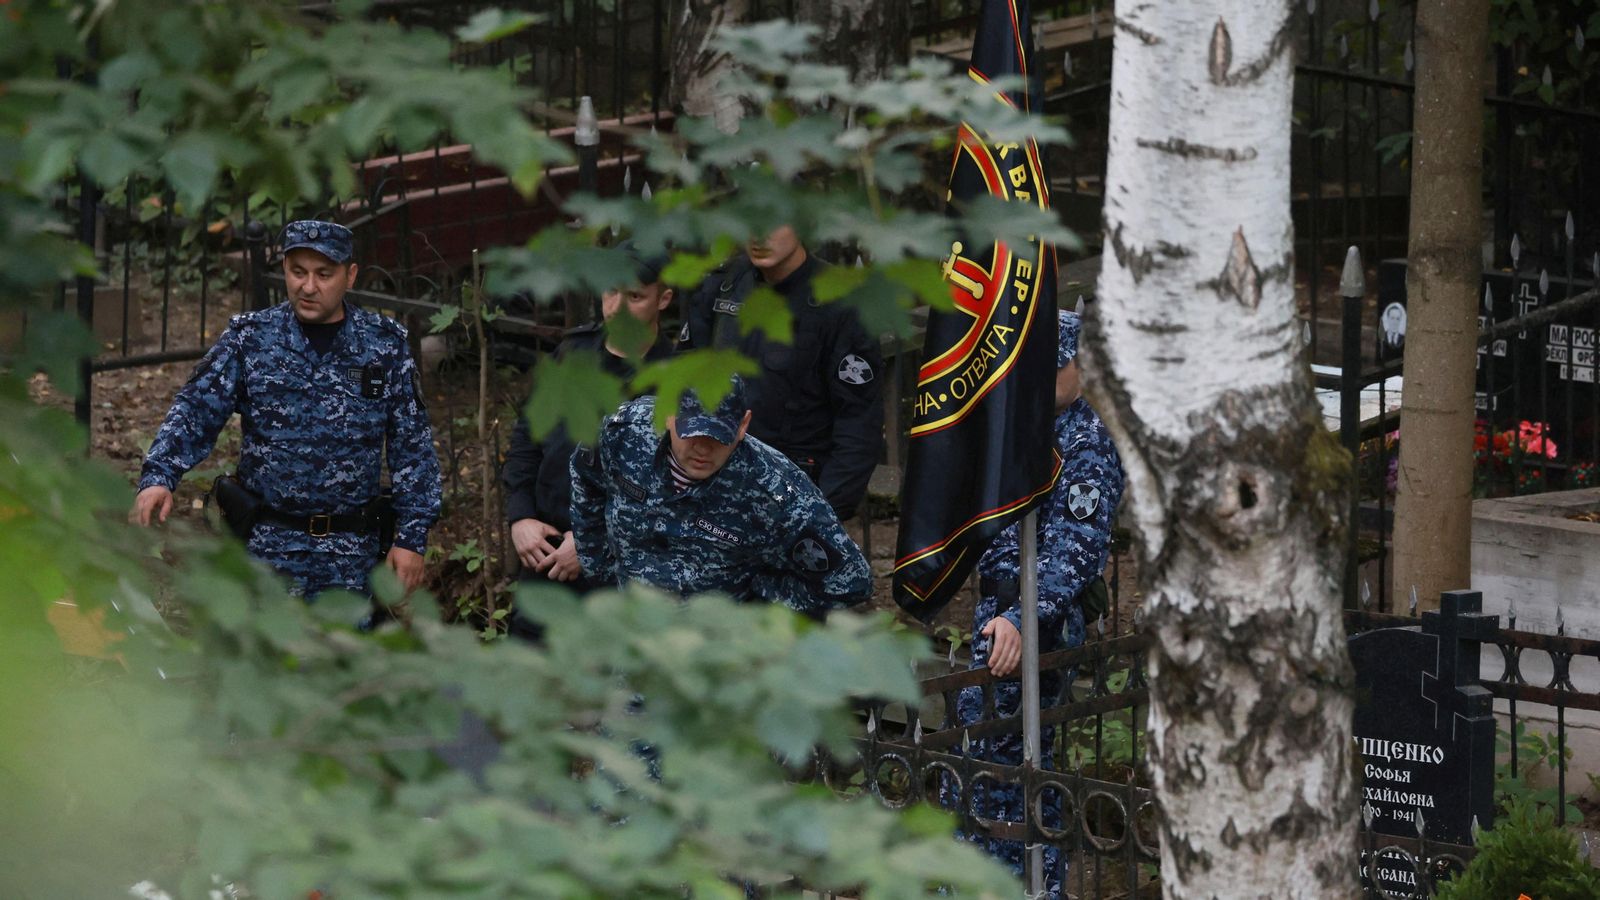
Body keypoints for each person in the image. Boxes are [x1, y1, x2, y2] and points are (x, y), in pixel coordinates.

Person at [130, 219, 442, 605]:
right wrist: (159, 476)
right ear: (284, 270)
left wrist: (411, 537)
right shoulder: (251, 340)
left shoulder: (384, 346)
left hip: (350, 555)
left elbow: (412, 447)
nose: (308, 287)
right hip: (265, 548)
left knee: (342, 644)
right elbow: (195, 409)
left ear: (350, 276)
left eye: (323, 274)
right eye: (298, 272)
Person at [948, 308, 1125, 897]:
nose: (1040, 380)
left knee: (1008, 762)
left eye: (1054, 368)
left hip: (1037, 621)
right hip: (998, 614)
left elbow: (1075, 551)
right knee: (987, 759)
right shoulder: (1016, 425)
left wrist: (1023, 617)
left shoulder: (1086, 444)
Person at [568, 374, 871, 616]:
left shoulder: (774, 492)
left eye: (718, 437)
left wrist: (756, 604)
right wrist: (600, 571)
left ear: (743, 426)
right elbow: (585, 476)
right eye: (693, 432)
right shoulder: (623, 434)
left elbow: (849, 581)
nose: (703, 448)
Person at [499, 243, 675, 638]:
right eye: (610, 291)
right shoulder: (572, 352)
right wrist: (521, 515)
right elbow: (529, 435)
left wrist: (595, 541)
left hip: (620, 573)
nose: (617, 308)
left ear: (663, 299)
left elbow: (675, 489)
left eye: (635, 296)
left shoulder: (674, 379)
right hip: (546, 551)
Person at [677, 226, 884, 521]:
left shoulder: (842, 303)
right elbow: (681, 387)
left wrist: (821, 516)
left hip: (792, 493)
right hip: (713, 485)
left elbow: (858, 426)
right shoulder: (723, 285)